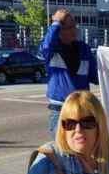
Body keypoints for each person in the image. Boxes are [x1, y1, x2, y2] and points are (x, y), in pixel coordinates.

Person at [39, 8, 98, 137]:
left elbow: (96, 77)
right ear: (59, 30)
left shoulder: (83, 49)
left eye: (75, 26)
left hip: (82, 110)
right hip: (60, 111)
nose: (75, 30)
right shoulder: (51, 50)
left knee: (83, 151)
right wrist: (56, 22)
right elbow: (46, 46)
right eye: (70, 27)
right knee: (62, 153)